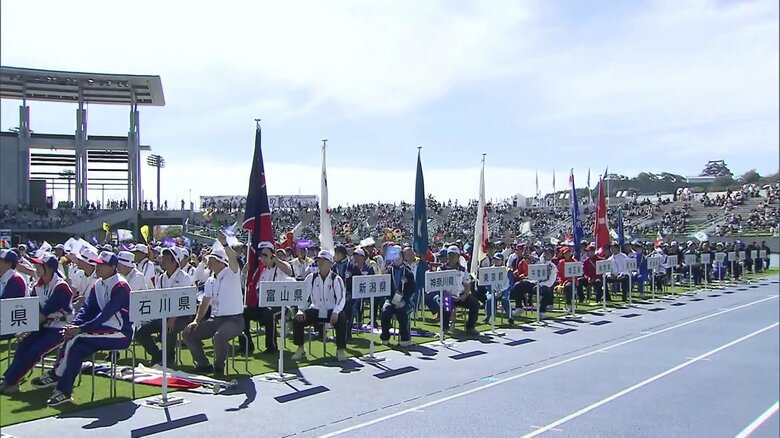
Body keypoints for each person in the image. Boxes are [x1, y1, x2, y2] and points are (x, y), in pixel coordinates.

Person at [35, 251, 132, 406]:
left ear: (113, 267)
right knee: (77, 348)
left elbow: (105, 315)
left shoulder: (120, 285)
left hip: (120, 333)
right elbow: (87, 309)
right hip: (104, 330)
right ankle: (64, 391)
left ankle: (56, 374)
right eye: (97, 263)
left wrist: (79, 329)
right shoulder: (98, 284)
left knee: (76, 337)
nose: (97, 266)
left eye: (102, 264)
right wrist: (75, 325)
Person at [0, 253, 73, 394]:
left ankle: (9, 381)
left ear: (50, 268)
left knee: (36, 349)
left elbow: (45, 313)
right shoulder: (37, 286)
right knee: (23, 345)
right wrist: (25, 330)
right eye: (36, 265)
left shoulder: (61, 286)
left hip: (61, 327)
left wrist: (26, 330)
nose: (36, 268)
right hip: (43, 325)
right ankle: (11, 381)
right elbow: (34, 310)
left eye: (40, 266)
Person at [183, 242, 244, 376]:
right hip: (215, 319)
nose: (208, 263)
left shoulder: (232, 273)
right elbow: (205, 302)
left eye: (211, 260)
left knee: (219, 337)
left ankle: (218, 368)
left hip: (234, 320)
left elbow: (233, 259)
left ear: (221, 262)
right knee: (188, 333)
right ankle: (203, 364)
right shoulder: (211, 280)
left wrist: (225, 244)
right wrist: (196, 321)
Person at [134, 246, 193, 366]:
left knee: (169, 329)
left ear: (174, 261)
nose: (162, 261)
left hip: (182, 316)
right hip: (163, 314)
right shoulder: (161, 278)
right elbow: (158, 297)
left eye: (166, 259)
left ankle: (169, 360)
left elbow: (183, 300)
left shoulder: (184, 278)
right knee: (140, 330)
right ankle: (157, 355)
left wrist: (172, 318)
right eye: (163, 258)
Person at [292, 250, 348, 362]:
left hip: (331, 311)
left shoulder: (336, 279)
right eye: (318, 260)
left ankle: (340, 349)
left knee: (342, 318)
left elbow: (341, 298)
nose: (320, 262)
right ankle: (300, 348)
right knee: (297, 319)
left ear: (330, 263)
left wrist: (336, 311)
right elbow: (304, 297)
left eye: (323, 260)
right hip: (315, 309)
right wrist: (301, 309)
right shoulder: (311, 278)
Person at [240, 241, 293, 355]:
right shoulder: (263, 272)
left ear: (272, 255)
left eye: (265, 255)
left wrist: (276, 260)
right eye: (261, 255)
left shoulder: (281, 266)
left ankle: (271, 347)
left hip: (281, 305)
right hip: (264, 304)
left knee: (269, 313)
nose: (262, 258)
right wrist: (244, 273)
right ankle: (247, 345)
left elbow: (289, 271)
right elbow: (257, 289)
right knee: (244, 312)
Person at [379, 248, 416, 346]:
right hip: (391, 300)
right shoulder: (388, 271)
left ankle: (405, 338)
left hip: (405, 301)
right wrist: (389, 301)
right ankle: (385, 337)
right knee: (385, 312)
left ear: (402, 258)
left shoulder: (408, 273)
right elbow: (384, 288)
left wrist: (403, 302)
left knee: (401, 312)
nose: (396, 259)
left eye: (398, 257)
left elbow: (411, 290)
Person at [484, 253, 512, 324]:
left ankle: (510, 317)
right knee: (490, 299)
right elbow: (487, 283)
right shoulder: (489, 270)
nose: (496, 261)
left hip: (503, 290)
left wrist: (501, 291)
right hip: (492, 290)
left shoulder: (506, 270)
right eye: (495, 259)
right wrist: (494, 291)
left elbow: (508, 283)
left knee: (505, 300)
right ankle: (488, 316)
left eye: (498, 260)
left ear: (502, 261)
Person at [537, 248, 558, 319]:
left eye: (548, 253)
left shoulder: (553, 267)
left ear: (552, 256)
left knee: (547, 291)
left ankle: (542, 312)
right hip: (534, 283)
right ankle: (519, 307)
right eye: (545, 253)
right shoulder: (539, 262)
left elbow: (551, 281)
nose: (546, 255)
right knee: (519, 285)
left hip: (544, 285)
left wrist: (540, 284)